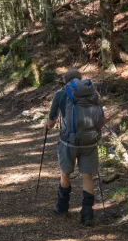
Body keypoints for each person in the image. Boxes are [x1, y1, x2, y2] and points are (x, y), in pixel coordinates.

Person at [45, 68, 105, 226]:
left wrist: (48, 125)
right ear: (80, 79)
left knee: (65, 173)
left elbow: (51, 122)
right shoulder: (92, 93)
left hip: (68, 143)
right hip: (90, 141)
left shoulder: (61, 94)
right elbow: (101, 119)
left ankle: (62, 206)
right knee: (87, 176)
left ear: (65, 81)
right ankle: (87, 214)